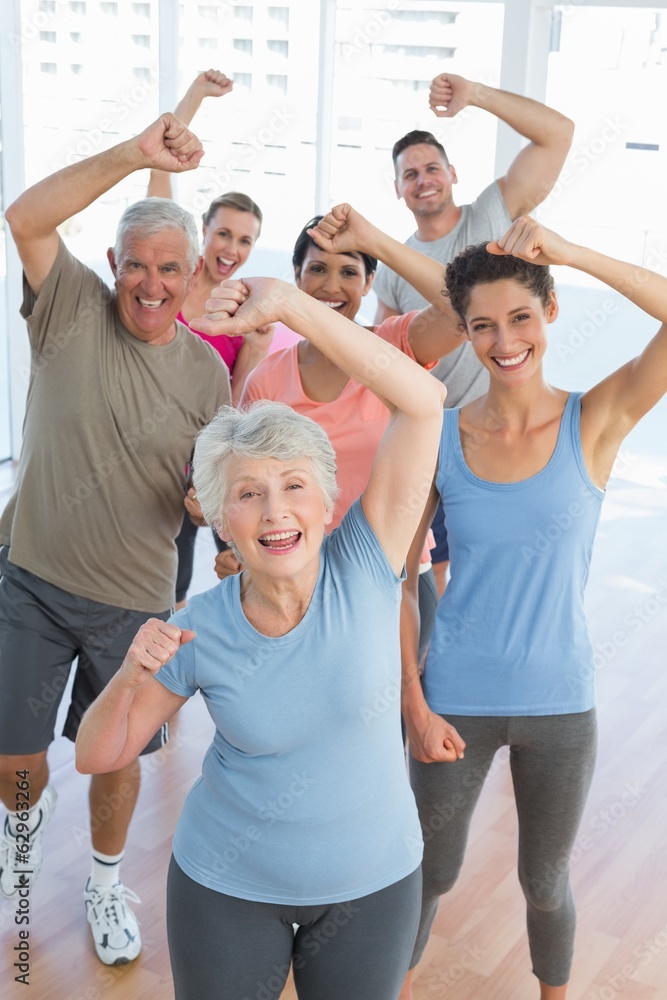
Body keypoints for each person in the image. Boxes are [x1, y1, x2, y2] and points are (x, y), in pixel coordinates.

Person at [74, 268, 447, 1000]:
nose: (276, 511)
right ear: (219, 515)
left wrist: (287, 306)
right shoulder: (194, 630)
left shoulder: (368, 560)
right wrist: (127, 673)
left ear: (327, 494)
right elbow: (99, 753)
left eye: (293, 484)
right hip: (227, 888)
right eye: (248, 493)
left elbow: (424, 399)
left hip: (373, 885)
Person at [398, 216, 667, 1000]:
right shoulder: (438, 436)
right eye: (481, 325)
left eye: (519, 316)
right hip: (451, 702)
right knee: (428, 875)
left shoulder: (595, 419)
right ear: (465, 337)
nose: (502, 340)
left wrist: (575, 250)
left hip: (558, 702)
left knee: (544, 883)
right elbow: (396, 579)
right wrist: (413, 704)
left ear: (549, 311)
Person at [0, 114, 230, 965]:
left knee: (115, 760)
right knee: (14, 761)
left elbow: (208, 491)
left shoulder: (208, 372)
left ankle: (103, 882)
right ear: (112, 267)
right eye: (135, 263)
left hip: (132, 609)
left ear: (193, 273)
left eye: (170, 267)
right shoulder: (67, 309)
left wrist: (211, 513)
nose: (150, 281)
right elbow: (25, 216)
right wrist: (136, 154)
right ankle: (23, 823)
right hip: (31, 579)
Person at [238, 207, 465, 665]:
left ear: (368, 283)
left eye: (349, 270)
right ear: (297, 279)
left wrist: (374, 238)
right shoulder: (267, 381)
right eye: (317, 269)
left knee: (386, 726)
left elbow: (463, 309)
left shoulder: (395, 348)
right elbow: (245, 486)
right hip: (300, 582)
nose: (331, 285)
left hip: (395, 579)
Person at [375, 72, 574, 594]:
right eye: (410, 174)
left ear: (452, 172)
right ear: (398, 189)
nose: (423, 179)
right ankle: (421, 668)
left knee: (496, 565)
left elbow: (558, 133)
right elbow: (386, 357)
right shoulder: (395, 266)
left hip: (501, 426)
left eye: (432, 167)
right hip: (435, 437)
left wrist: (477, 96)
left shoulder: (491, 212)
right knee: (424, 570)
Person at [146, 69, 270, 607]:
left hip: (203, 452)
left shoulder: (243, 309)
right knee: (160, 573)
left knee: (239, 559)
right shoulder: (171, 274)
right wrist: (194, 97)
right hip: (146, 444)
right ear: (203, 229)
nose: (232, 248)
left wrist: (260, 345)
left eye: (245, 240)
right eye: (224, 232)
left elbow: (233, 404)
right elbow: (157, 180)